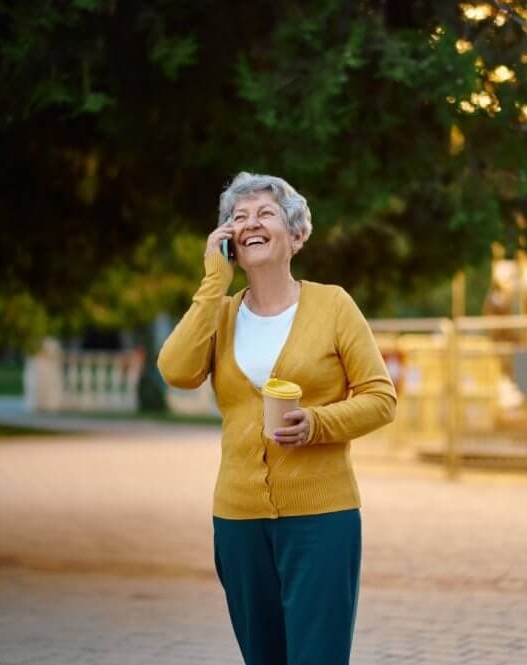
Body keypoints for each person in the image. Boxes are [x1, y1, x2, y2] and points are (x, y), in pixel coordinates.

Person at [157, 172, 397, 665]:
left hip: (322, 518)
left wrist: (318, 423)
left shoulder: (333, 305)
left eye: (265, 213)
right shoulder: (219, 314)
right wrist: (212, 282)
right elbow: (176, 371)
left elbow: (380, 397)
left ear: (296, 234)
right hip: (238, 518)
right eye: (237, 218)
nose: (250, 224)